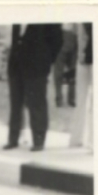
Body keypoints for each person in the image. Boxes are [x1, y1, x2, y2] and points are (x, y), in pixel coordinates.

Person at [4, 23, 63, 152]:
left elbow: (58, 40)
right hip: (16, 65)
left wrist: (46, 59)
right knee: (15, 103)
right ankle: (12, 139)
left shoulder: (47, 16)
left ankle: (38, 140)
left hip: (37, 66)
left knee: (36, 103)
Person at [70, 23, 93, 150]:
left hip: (96, 59)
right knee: (81, 101)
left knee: (95, 103)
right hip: (82, 60)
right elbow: (79, 38)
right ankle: (76, 139)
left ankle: (93, 141)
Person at [53, 23, 78, 107]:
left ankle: (59, 98)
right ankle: (71, 98)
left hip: (63, 37)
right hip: (72, 37)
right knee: (71, 72)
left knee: (59, 72)